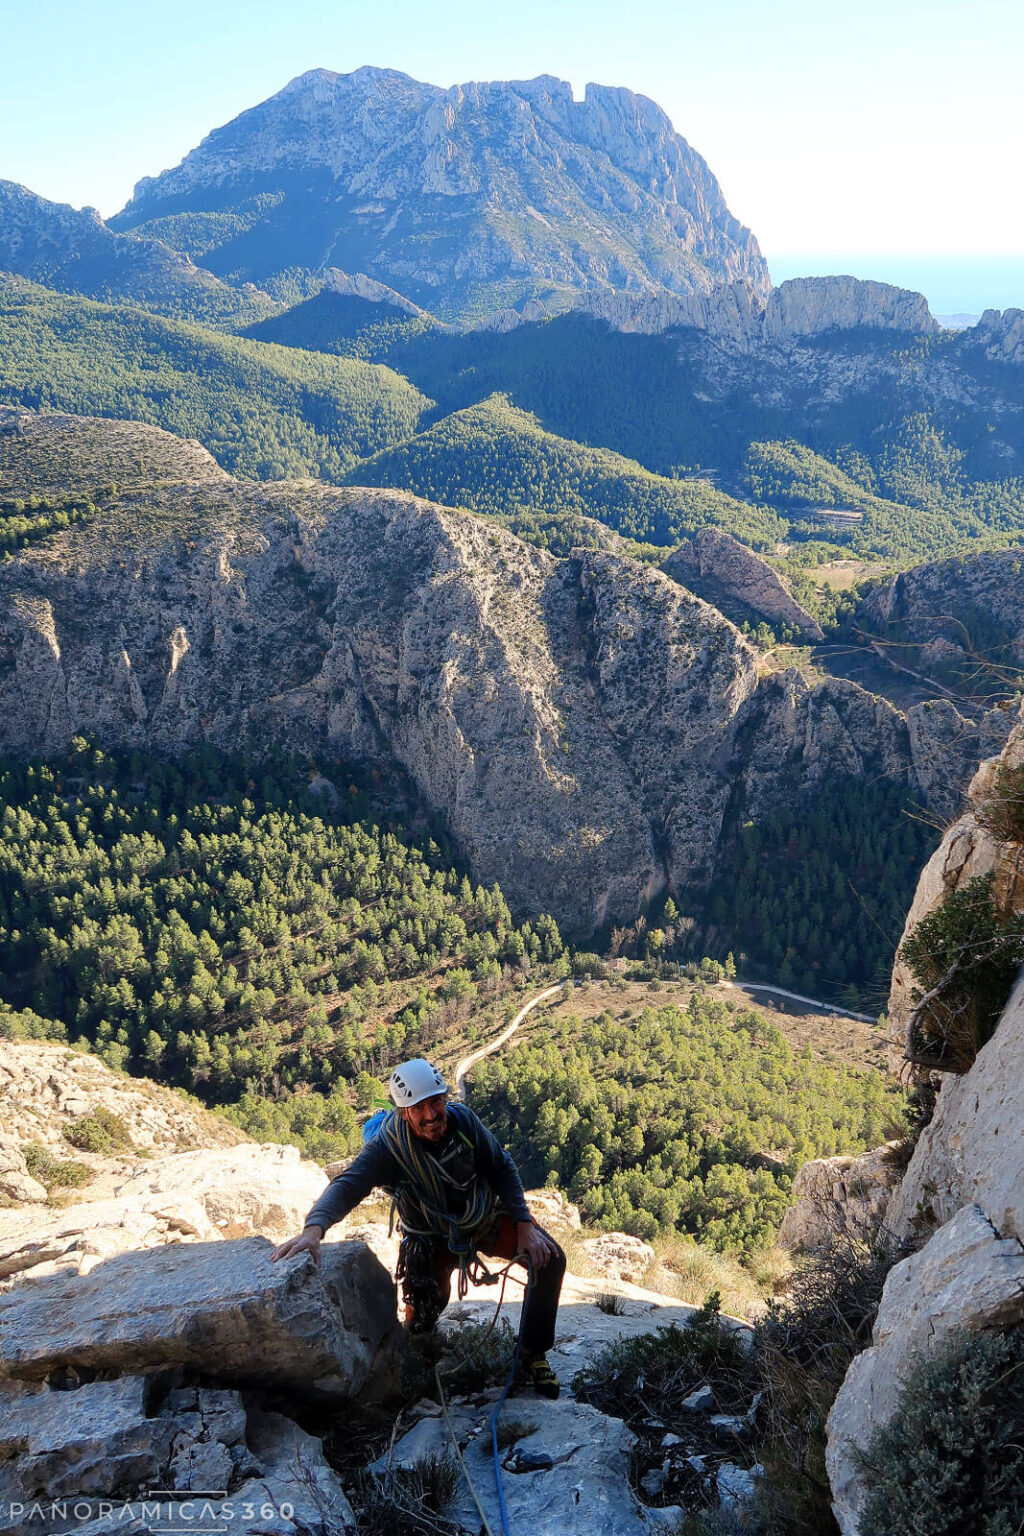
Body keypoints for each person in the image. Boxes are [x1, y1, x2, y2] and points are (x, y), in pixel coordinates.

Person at [270, 1057, 566, 1399]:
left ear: (445, 1099)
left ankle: (533, 1352)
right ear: (402, 1112)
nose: (430, 1115)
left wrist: (525, 1224)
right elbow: (349, 1184)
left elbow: (501, 1166)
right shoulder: (387, 1149)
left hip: (481, 1217)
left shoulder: (463, 1123)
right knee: (423, 1313)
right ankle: (418, 1369)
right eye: (418, 1107)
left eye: (436, 1102)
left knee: (550, 1259)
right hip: (429, 1237)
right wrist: (314, 1228)